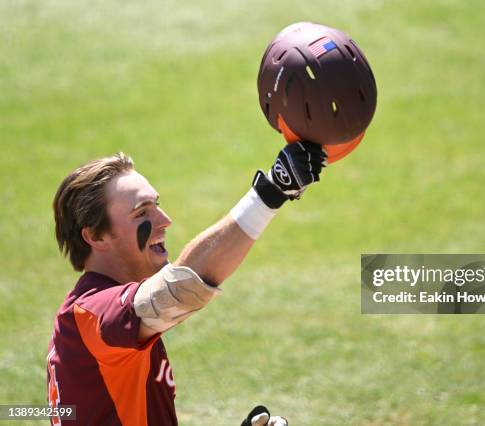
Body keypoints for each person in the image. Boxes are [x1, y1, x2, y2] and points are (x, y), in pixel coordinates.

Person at [47, 143, 326, 425]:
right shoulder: (91, 315)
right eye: (142, 213)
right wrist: (271, 191)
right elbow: (179, 291)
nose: (165, 220)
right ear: (95, 237)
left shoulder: (105, 325)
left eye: (156, 205)